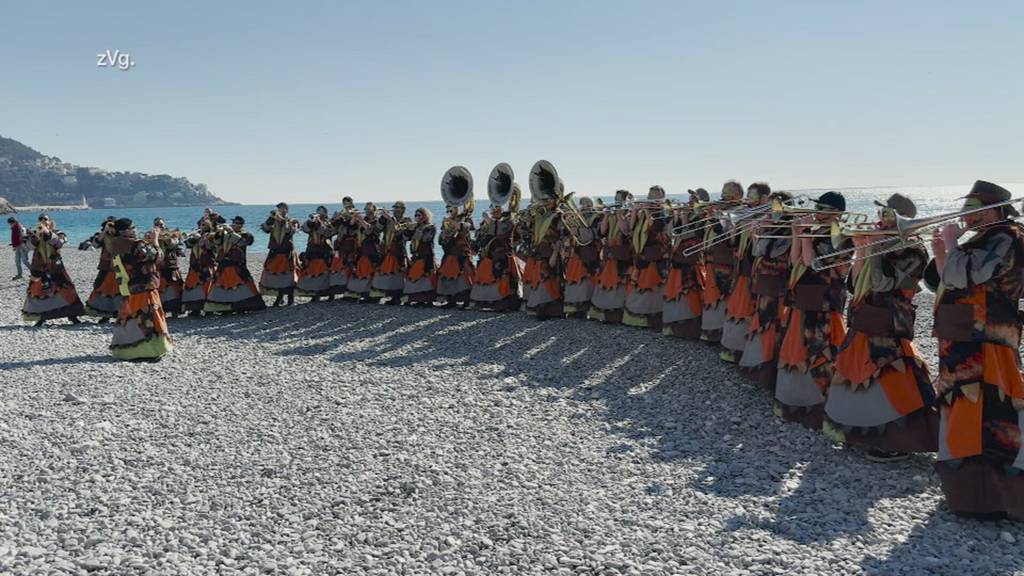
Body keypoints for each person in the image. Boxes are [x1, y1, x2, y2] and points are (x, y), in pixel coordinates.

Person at [926, 181, 1024, 520]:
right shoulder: (986, 238)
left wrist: (953, 245)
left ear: (994, 211)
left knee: (987, 412)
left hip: (986, 341)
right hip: (965, 336)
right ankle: (966, 492)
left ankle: (991, 497)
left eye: (975, 208)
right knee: (961, 407)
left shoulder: (1007, 236)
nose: (968, 215)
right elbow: (948, 279)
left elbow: (967, 275)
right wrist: (942, 250)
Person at [825, 193, 937, 462]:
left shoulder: (915, 251)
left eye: (887, 216)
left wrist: (873, 249)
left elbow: (883, 283)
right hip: (866, 317)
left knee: (891, 379)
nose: (880, 220)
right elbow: (854, 285)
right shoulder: (883, 244)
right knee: (856, 374)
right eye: (882, 214)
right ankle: (859, 430)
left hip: (890, 323)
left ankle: (900, 440)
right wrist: (861, 250)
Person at [775, 192, 851, 429]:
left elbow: (814, 263)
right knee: (796, 349)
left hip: (825, 303)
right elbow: (795, 260)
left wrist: (806, 234)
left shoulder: (843, 236)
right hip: (805, 299)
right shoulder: (816, 230)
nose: (819, 212)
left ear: (837, 213)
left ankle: (823, 406)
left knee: (822, 352)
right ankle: (794, 402)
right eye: (819, 207)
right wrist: (798, 234)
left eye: (825, 208)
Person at [738, 192, 794, 390]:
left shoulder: (789, 229)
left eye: (775, 207)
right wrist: (757, 233)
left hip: (778, 283)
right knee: (762, 323)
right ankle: (757, 367)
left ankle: (768, 372)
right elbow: (757, 251)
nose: (771, 211)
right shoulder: (773, 226)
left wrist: (766, 228)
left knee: (773, 325)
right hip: (764, 281)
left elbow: (774, 252)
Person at [107, 219, 173, 361]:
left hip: (127, 286)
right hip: (143, 285)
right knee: (148, 317)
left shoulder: (115, 244)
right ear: (127, 231)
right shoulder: (136, 245)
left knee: (129, 317)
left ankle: (126, 349)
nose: (136, 230)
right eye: (133, 228)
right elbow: (157, 257)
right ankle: (149, 351)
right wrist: (155, 240)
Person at [720, 183, 771, 362]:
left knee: (750, 310)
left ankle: (747, 352)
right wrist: (735, 228)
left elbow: (761, 250)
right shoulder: (745, 214)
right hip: (741, 268)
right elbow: (732, 243)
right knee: (736, 307)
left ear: (764, 199)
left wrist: (758, 228)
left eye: (752, 197)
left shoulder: (768, 217)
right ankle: (733, 348)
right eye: (748, 197)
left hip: (755, 271)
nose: (748, 201)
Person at [700, 181, 744, 342]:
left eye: (729, 193)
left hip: (727, 261)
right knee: (712, 295)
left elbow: (724, 234)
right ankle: (711, 332)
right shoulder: (722, 209)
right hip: (713, 258)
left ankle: (724, 335)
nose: (724, 196)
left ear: (739, 195)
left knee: (726, 297)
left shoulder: (740, 211)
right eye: (723, 193)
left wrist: (714, 218)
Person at [21, 215, 84, 326]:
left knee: (64, 288)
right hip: (40, 267)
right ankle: (41, 317)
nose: (43, 222)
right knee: (40, 291)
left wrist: (48, 233)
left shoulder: (58, 233)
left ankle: (72, 315)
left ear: (50, 221)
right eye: (41, 220)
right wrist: (36, 235)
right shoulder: (35, 233)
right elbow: (28, 247)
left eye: (45, 219)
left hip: (55, 267)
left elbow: (60, 243)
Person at [622, 187, 670, 329]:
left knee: (652, 289)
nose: (652, 198)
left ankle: (652, 320)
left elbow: (655, 227)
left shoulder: (662, 213)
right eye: (651, 195)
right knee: (639, 287)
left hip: (655, 257)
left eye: (656, 196)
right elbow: (630, 229)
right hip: (641, 255)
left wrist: (649, 211)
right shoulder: (642, 213)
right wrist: (636, 211)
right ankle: (636, 319)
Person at [662, 189, 708, 339]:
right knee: (675, 293)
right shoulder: (687, 214)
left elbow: (689, 233)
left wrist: (685, 218)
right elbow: (672, 232)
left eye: (694, 200)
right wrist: (677, 216)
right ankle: (674, 326)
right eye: (690, 199)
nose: (690, 202)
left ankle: (690, 329)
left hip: (691, 259)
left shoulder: (703, 217)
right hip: (679, 258)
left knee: (690, 293)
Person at [471, 191, 523, 312]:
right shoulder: (489, 222)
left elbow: (501, 232)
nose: (494, 211)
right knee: (487, 277)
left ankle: (506, 303)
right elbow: (484, 236)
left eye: (497, 208)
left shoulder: (508, 221)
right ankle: (489, 302)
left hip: (503, 254)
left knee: (503, 277)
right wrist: (475, 247)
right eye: (492, 208)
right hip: (489, 255)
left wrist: (490, 221)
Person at [204, 216, 266, 314]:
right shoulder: (225, 234)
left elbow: (242, 242)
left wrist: (231, 232)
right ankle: (224, 307)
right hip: (224, 263)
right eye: (233, 222)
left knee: (241, 286)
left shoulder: (246, 234)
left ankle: (241, 306)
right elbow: (216, 243)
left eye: (237, 223)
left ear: (241, 225)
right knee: (222, 285)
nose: (234, 224)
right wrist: (217, 233)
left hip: (237, 264)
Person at [589, 189, 633, 323]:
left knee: (619, 284)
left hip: (622, 253)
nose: (616, 201)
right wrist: (607, 216)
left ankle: (617, 315)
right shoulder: (611, 213)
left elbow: (626, 231)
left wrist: (620, 215)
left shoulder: (630, 213)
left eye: (619, 198)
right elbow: (602, 231)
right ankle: (601, 313)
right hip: (609, 253)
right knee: (605, 282)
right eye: (616, 198)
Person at [523, 191, 565, 319]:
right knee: (539, 278)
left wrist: (556, 252)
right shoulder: (541, 215)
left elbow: (562, 236)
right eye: (546, 199)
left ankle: (549, 308)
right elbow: (530, 232)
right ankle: (538, 306)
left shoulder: (559, 216)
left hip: (551, 251)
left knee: (550, 278)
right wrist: (528, 220)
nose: (547, 201)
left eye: (551, 199)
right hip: (539, 251)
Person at [562, 196, 601, 317]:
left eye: (588, 203)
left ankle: (586, 308)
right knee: (575, 281)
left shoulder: (597, 217)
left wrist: (577, 230)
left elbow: (592, 235)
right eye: (582, 204)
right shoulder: (579, 216)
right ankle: (575, 308)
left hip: (590, 252)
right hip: (576, 253)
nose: (585, 206)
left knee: (587, 282)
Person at [259, 202, 300, 307]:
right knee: (277, 275)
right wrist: (270, 219)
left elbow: (292, 231)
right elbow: (265, 229)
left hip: (287, 252)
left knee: (289, 275)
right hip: (276, 251)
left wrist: (284, 221)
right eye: (279, 208)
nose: (279, 210)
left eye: (281, 208)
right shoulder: (273, 221)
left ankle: (291, 298)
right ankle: (280, 297)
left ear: (286, 209)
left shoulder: (292, 221)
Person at [372, 201, 413, 304]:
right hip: (386, 249)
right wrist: (382, 218)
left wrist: (391, 219)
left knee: (398, 275)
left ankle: (397, 297)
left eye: (398, 207)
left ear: (403, 209)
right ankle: (379, 295)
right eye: (394, 207)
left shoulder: (407, 220)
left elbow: (406, 236)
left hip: (399, 249)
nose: (395, 209)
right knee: (382, 273)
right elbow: (377, 230)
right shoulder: (387, 219)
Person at [83, 217, 123, 322]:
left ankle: (121, 312)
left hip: (120, 265)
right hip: (106, 266)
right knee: (101, 288)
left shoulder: (121, 235)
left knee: (120, 290)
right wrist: (105, 231)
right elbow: (95, 244)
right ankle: (105, 314)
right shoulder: (102, 235)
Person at [437, 204, 475, 307]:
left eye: (451, 209)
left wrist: (450, 222)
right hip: (450, 254)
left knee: (465, 277)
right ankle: (451, 300)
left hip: (462, 254)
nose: (449, 211)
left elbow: (463, 228)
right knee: (448, 276)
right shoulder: (447, 222)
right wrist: (444, 234)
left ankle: (466, 301)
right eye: (448, 209)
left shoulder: (467, 220)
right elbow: (441, 240)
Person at [181, 215, 219, 316]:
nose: (203, 227)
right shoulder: (196, 235)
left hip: (207, 263)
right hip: (195, 264)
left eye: (205, 225)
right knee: (193, 286)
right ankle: (195, 308)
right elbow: (188, 245)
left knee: (208, 286)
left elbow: (212, 247)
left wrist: (205, 239)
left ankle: (209, 308)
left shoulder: (212, 235)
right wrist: (190, 237)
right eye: (202, 225)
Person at [296, 206, 334, 301]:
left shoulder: (329, 223)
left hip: (325, 250)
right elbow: (304, 229)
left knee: (326, 272)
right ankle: (315, 294)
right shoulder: (312, 223)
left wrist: (319, 223)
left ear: (325, 213)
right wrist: (310, 221)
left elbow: (326, 233)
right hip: (312, 249)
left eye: (321, 212)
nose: (319, 213)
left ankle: (330, 294)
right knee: (312, 272)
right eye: (318, 211)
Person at [346, 203, 382, 301]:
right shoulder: (365, 219)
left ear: (374, 209)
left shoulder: (377, 220)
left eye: (368, 208)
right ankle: (358, 293)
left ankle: (372, 295)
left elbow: (370, 230)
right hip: (362, 247)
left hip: (373, 247)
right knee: (360, 269)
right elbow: (352, 228)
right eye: (365, 208)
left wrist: (361, 220)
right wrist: (354, 218)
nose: (366, 210)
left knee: (370, 270)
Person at [404, 207, 438, 305]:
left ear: (425, 216)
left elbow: (425, 239)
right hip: (416, 255)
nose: (416, 217)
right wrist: (408, 229)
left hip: (426, 255)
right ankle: (418, 299)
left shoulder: (431, 227)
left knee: (426, 276)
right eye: (415, 215)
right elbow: (406, 237)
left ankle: (428, 300)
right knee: (415, 276)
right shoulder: (416, 227)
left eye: (419, 215)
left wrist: (416, 229)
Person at [153, 218, 185, 318]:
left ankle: (175, 311)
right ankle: (163, 311)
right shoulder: (153, 235)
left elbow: (176, 245)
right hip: (160, 267)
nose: (160, 226)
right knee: (161, 289)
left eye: (161, 224)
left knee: (174, 288)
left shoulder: (172, 234)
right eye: (157, 224)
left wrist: (165, 238)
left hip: (171, 265)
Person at [328, 197, 358, 297]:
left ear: (351, 203)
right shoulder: (341, 213)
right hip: (341, 243)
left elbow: (353, 226)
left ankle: (350, 291)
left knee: (350, 265)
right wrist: (336, 218)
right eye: (344, 203)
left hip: (351, 242)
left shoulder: (355, 212)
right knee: (338, 266)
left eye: (347, 202)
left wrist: (346, 218)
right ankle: (338, 289)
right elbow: (333, 226)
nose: (346, 204)